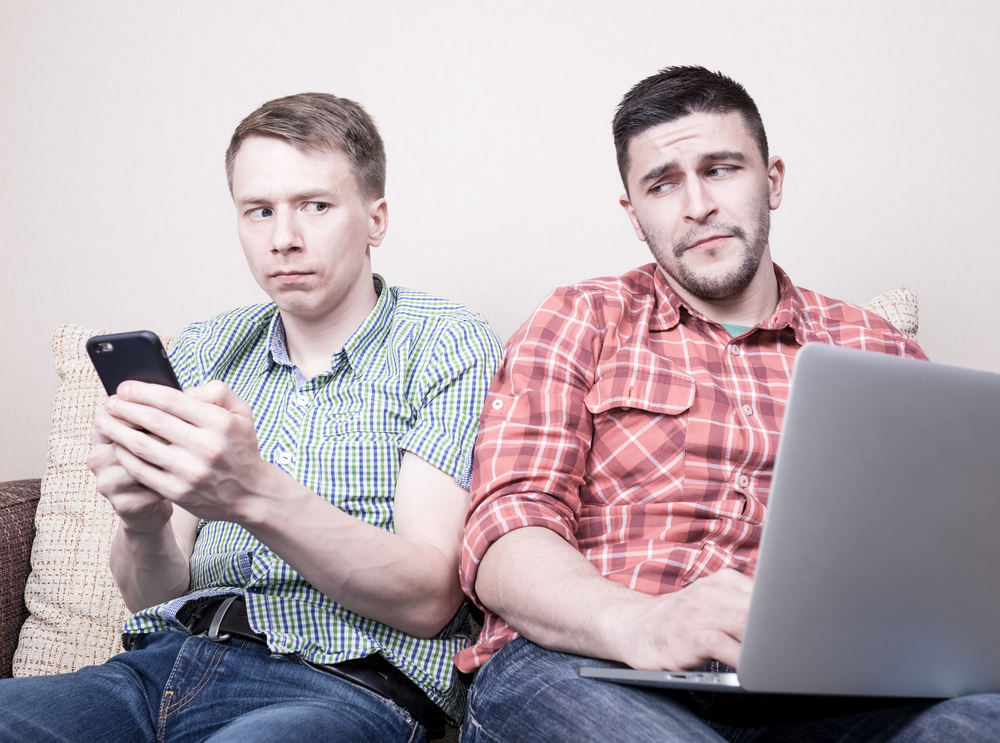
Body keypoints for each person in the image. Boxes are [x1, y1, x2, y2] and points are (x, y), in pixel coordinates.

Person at [457, 67, 1000, 742]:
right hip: (583, 666)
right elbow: (507, 534)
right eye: (663, 183)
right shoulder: (583, 316)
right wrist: (638, 622)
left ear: (772, 180)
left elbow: (946, 556)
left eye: (720, 169)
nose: (697, 205)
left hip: (817, 693)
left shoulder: (874, 346)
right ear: (633, 212)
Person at [0, 93, 502, 742]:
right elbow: (153, 596)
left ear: (375, 218)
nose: (283, 238)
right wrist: (144, 520)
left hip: (342, 685)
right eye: (259, 211)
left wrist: (250, 490)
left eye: (314, 206)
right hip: (159, 667)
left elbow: (430, 596)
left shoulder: (446, 340)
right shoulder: (211, 346)